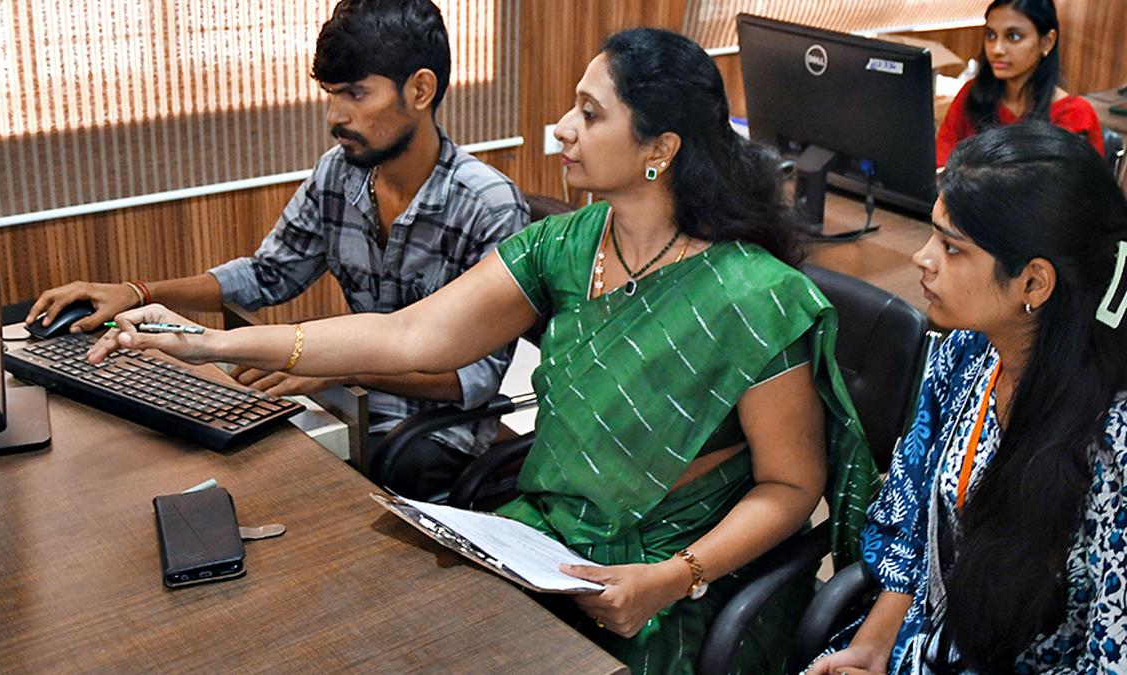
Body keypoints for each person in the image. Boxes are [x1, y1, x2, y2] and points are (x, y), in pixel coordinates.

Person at [89, 28, 879, 674]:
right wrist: (211, 343)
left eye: (589, 114)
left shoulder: (753, 295)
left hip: (672, 585)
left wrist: (673, 577)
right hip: (545, 545)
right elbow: (410, 333)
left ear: (659, 148)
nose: (562, 129)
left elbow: (791, 484)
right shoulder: (568, 246)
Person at [26, 0, 530, 500]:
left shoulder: (487, 207)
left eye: (356, 93)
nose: (336, 116)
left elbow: (472, 378)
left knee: (277, 486)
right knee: (202, 453)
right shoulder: (339, 172)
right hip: (339, 400)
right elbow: (269, 273)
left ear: (420, 89)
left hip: (428, 434)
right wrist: (139, 292)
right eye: (331, 95)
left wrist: (333, 367)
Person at [807, 122, 1127, 674]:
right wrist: (873, 646)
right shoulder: (965, 353)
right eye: (932, 235)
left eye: (952, 249)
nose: (922, 259)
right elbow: (909, 519)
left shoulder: (1112, 440)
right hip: (921, 649)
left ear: (1034, 284)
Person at [935, 0, 1103, 167]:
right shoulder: (972, 94)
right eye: (991, 36)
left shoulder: (1076, 115)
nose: (996, 49)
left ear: (1047, 42)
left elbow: (1082, 189)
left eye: (1013, 37)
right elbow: (940, 164)